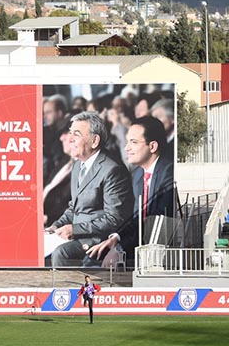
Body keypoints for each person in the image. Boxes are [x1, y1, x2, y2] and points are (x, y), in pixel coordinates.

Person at [46, 111, 134, 267]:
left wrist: (75, 229)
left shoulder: (112, 169)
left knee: (60, 253)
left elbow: (115, 218)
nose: (70, 138)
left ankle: (66, 291)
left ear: (94, 141)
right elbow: (75, 207)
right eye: (70, 133)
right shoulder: (78, 164)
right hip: (77, 234)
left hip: (98, 238)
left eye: (76, 134)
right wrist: (56, 225)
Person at [86, 116, 176, 265]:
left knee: (104, 264)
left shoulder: (169, 171)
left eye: (133, 142)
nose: (126, 148)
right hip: (140, 244)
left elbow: (158, 220)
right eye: (127, 142)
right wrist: (116, 238)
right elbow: (136, 218)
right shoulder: (138, 174)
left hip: (161, 250)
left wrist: (121, 249)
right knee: (93, 257)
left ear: (152, 146)